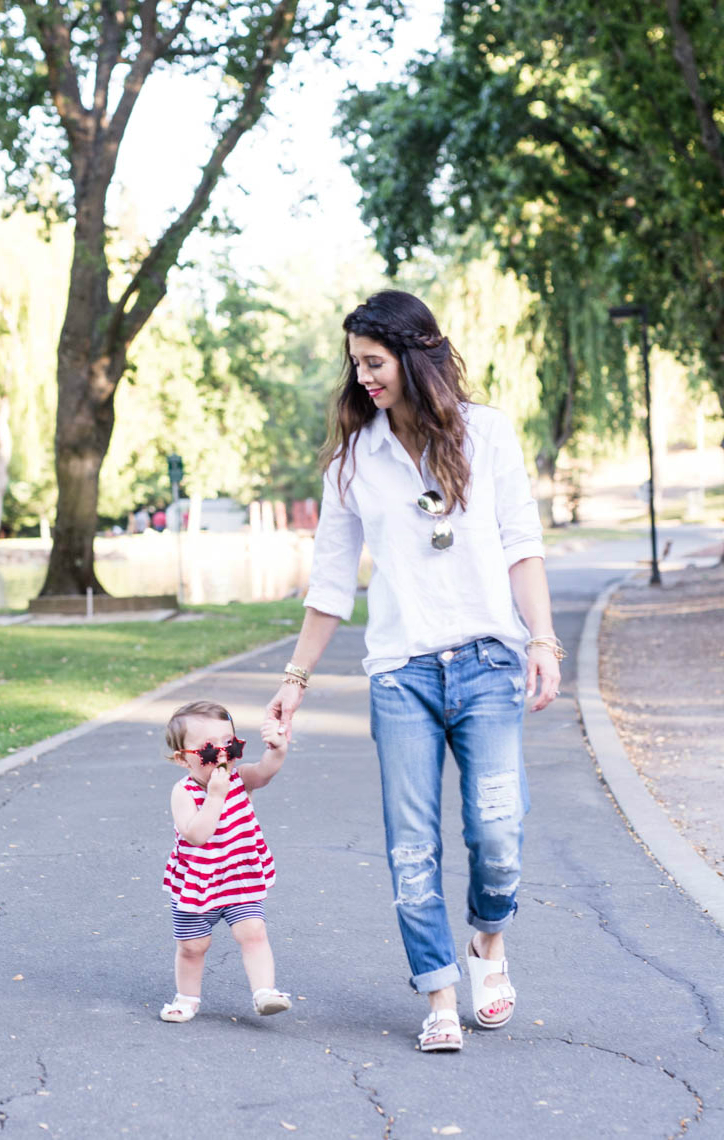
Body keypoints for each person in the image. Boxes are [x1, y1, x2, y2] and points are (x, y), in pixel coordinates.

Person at [266, 290, 562, 1053]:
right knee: (411, 844)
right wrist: (292, 684)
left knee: (498, 832)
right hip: (401, 675)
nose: (363, 377)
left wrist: (543, 641)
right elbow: (331, 583)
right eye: (356, 364)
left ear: (415, 356)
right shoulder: (354, 461)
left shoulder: (486, 433)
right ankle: (436, 991)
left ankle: (488, 942)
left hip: (489, 662)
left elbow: (520, 542)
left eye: (375, 361)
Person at [160, 699, 292, 1022]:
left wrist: (277, 749)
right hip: (197, 883)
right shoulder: (184, 793)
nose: (222, 757)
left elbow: (264, 773)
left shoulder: (239, 778)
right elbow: (196, 835)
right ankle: (186, 997)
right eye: (208, 751)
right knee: (193, 947)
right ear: (183, 759)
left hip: (237, 876)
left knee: (254, 932)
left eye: (229, 746)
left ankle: (265, 992)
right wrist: (215, 797)